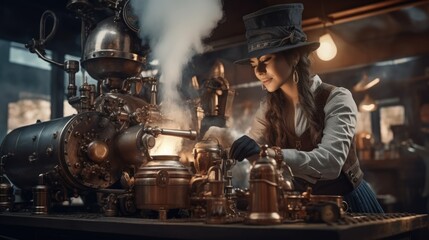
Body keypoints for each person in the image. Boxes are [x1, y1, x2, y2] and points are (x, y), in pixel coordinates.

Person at [229, 3, 384, 213]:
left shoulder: (337, 98)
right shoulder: (267, 109)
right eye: (254, 63)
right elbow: (254, 151)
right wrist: (224, 143)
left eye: (266, 59)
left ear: (294, 56)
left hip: (348, 205)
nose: (260, 70)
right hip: (302, 208)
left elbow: (330, 162)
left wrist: (273, 154)